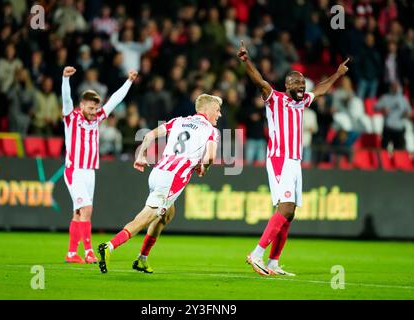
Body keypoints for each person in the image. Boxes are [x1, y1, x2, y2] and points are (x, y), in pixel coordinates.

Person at [237, 40, 349, 276]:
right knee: (285, 208)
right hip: (280, 159)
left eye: (301, 81)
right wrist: (246, 62)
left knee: (290, 214)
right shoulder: (275, 98)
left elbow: (320, 89)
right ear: (286, 85)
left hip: (295, 162)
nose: (300, 84)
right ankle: (256, 254)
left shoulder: (303, 102)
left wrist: (337, 74)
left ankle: (274, 263)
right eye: (295, 82)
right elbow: (259, 80)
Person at [97, 94, 222, 274]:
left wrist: (140, 156)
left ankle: (142, 259)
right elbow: (210, 156)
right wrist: (204, 167)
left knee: (166, 214)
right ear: (207, 109)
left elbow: (149, 135)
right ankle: (109, 246)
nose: (219, 115)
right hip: (171, 179)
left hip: (157, 173)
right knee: (143, 219)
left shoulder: (179, 121)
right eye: (217, 110)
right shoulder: (211, 130)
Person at [61, 66, 138, 264]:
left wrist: (129, 81)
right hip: (74, 170)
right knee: (86, 209)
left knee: (79, 213)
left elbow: (115, 100)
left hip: (90, 172)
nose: (94, 111)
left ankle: (71, 253)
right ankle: (88, 251)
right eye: (90, 107)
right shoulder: (71, 118)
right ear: (81, 106)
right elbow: (66, 100)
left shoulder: (97, 119)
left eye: (95, 108)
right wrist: (65, 80)